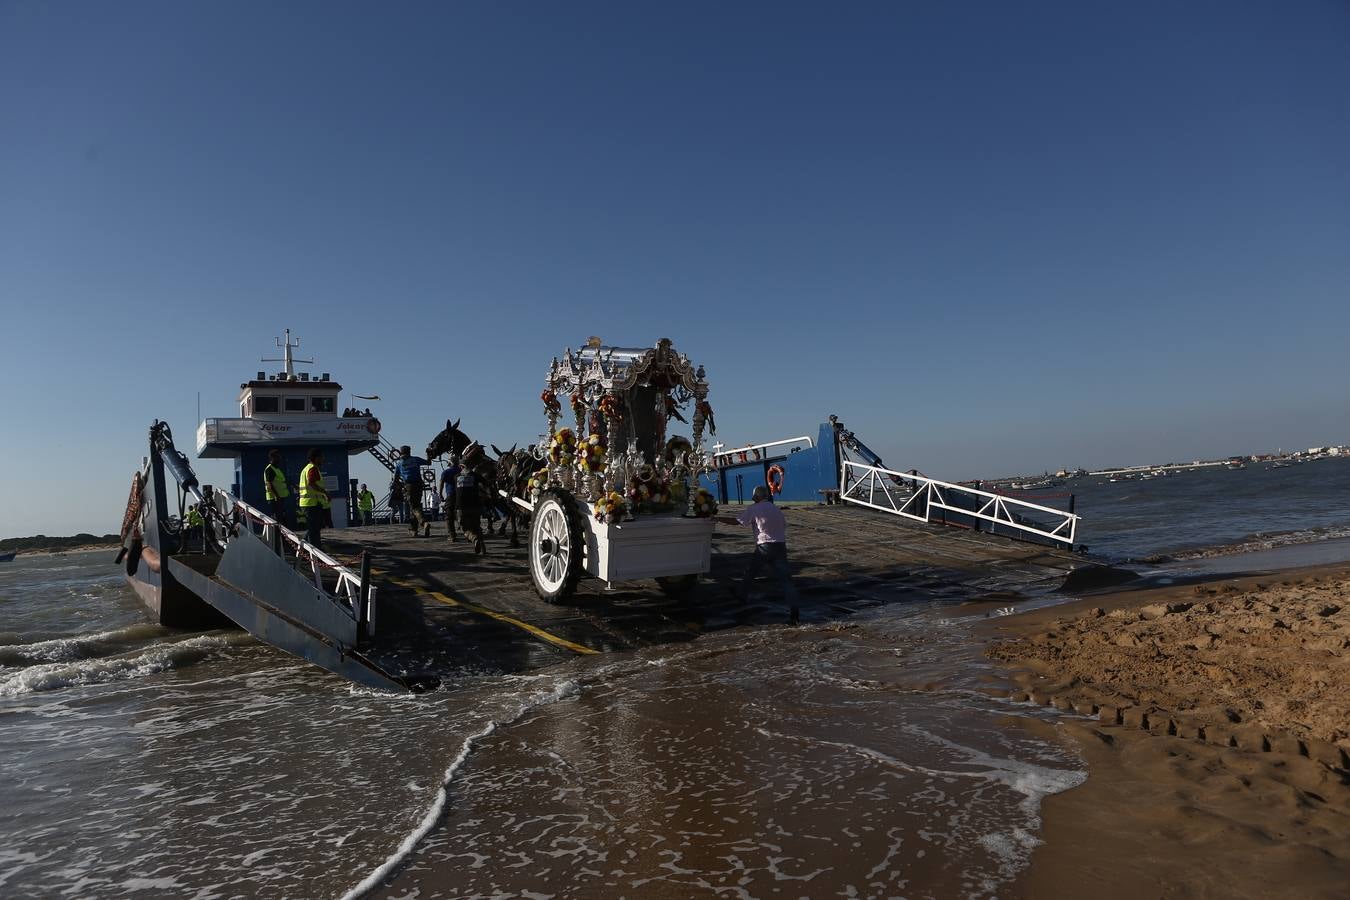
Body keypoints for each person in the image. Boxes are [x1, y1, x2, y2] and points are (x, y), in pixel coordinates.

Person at [717, 484, 798, 616]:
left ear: (756, 496)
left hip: (764, 546)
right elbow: (783, 525)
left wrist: (718, 519)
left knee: (751, 572)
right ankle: (794, 609)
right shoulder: (776, 509)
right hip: (780, 546)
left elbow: (738, 521)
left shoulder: (754, 508)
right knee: (786, 580)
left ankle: (741, 595)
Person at [298, 447, 331, 550]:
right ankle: (316, 551)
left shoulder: (306, 468)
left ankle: (302, 549)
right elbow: (311, 483)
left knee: (313, 528)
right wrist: (325, 492)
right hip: (312, 504)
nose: (323, 459)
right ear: (316, 458)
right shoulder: (313, 468)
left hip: (308, 503)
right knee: (314, 530)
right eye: (322, 457)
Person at [394, 445, 428, 536]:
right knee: (416, 505)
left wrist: (400, 486)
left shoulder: (399, 463)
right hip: (419, 485)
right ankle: (414, 530)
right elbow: (428, 462)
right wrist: (429, 455)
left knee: (413, 507)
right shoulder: (415, 459)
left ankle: (423, 522)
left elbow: (395, 480)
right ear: (410, 452)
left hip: (408, 486)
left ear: (401, 452)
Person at [455, 464, 486, 555]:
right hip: (475, 505)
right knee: (477, 526)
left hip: (461, 507)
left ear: (461, 467)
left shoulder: (456, 477)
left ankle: (473, 538)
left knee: (465, 528)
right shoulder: (475, 476)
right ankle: (483, 547)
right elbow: (486, 483)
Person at [263, 449, 292, 528]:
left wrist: (293, 485)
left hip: (280, 497)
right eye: (277, 457)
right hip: (275, 498)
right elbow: (269, 484)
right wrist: (276, 496)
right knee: (277, 519)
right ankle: (279, 537)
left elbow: (281, 481)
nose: (279, 458)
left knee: (282, 517)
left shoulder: (277, 469)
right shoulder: (270, 469)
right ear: (272, 458)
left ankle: (284, 537)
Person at [439, 454, 462, 542]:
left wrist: (441, 494)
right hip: (462, 495)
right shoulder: (461, 470)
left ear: (450, 462)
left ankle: (452, 535)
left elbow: (441, 483)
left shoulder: (446, 472)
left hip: (451, 495)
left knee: (449, 516)